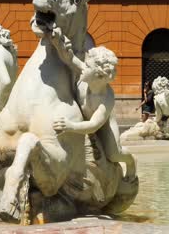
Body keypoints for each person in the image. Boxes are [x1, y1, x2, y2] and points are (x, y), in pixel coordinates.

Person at [53, 46, 136, 181]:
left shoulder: (106, 99)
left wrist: (70, 126)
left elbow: (94, 125)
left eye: (87, 66)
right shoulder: (84, 80)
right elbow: (72, 60)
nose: (82, 67)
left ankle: (131, 160)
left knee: (114, 154)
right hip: (84, 118)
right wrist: (60, 44)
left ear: (99, 75)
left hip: (105, 125)